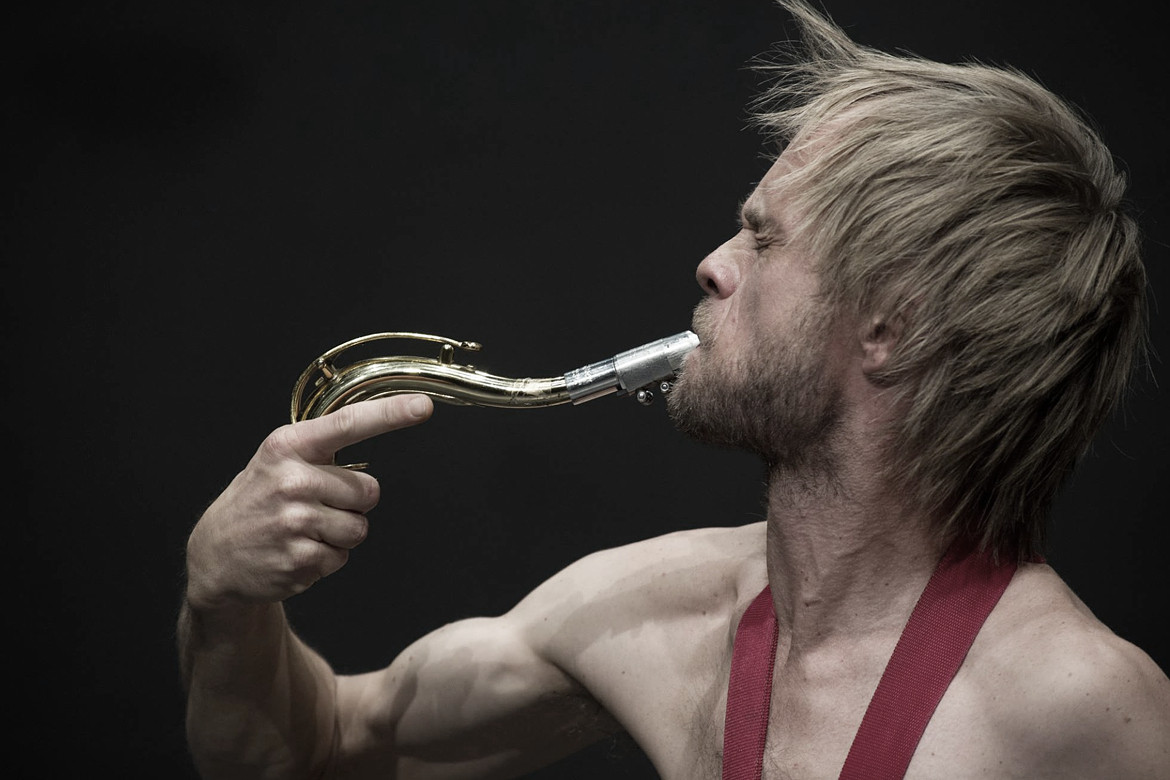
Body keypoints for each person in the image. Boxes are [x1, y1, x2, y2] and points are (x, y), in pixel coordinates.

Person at [178, 2, 1170, 777]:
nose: (712, 264)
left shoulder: (1083, 711)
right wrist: (224, 602)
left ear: (890, 328)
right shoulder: (653, 610)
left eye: (763, 239)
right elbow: (310, 753)